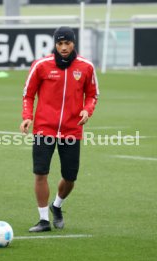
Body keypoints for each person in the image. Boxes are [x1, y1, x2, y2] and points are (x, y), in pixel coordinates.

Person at [20, 26, 99, 232]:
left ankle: (57, 206)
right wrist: (27, 117)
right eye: (60, 43)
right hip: (44, 129)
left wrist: (87, 111)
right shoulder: (41, 65)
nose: (63, 48)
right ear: (55, 44)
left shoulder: (86, 67)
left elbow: (92, 95)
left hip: (72, 130)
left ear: (74, 43)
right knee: (40, 173)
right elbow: (28, 94)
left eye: (67, 43)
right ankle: (44, 219)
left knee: (70, 178)